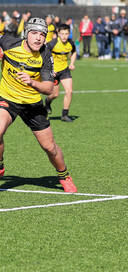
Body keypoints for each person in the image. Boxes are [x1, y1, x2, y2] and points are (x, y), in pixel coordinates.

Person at [0, 18, 77, 192]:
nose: (38, 38)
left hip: (33, 105)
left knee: (49, 147)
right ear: (26, 34)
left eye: (42, 34)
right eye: (34, 33)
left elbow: (49, 89)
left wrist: (32, 83)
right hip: (7, 98)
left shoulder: (45, 55)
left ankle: (64, 175)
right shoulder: (8, 42)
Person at [45, 24, 77, 122]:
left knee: (69, 91)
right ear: (58, 33)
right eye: (62, 34)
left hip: (64, 70)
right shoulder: (52, 44)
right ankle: (47, 102)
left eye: (66, 34)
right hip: (54, 71)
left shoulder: (70, 43)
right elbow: (44, 55)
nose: (64, 36)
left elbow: (74, 52)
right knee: (55, 95)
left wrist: (71, 63)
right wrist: (50, 69)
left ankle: (65, 114)